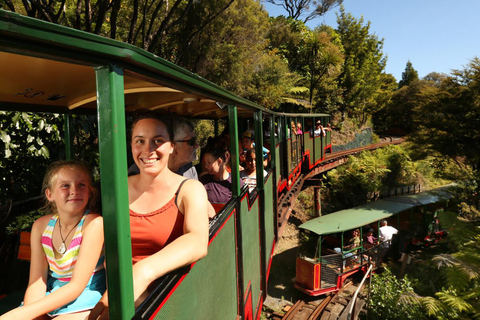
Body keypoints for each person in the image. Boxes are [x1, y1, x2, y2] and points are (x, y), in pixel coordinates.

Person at [89, 113, 209, 319]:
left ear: (172, 146)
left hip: (169, 298)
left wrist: (142, 272)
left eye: (158, 141)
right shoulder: (118, 188)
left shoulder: (190, 189)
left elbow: (197, 241)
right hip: (119, 294)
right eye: (140, 141)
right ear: (132, 146)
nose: (148, 150)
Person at [0, 160, 105, 320]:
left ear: (89, 192)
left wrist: (23, 313)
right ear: (50, 195)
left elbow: (76, 286)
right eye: (65, 186)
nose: (74, 190)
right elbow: (37, 281)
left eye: (82, 185)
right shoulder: (41, 226)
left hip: (85, 296)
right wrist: (30, 313)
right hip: (55, 293)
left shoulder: (94, 223)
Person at [128, 116, 199, 179]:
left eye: (157, 141)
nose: (197, 146)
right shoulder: (135, 175)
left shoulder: (189, 169)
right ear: (173, 145)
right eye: (191, 142)